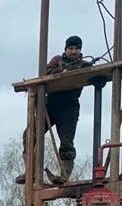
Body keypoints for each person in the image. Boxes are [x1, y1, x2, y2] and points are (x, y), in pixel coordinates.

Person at [17, 35, 92, 185]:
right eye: (71, 48)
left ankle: (64, 176)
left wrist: (69, 71)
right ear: (65, 49)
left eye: (76, 48)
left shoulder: (83, 65)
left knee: (66, 144)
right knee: (30, 134)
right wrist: (61, 71)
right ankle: (30, 171)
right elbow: (46, 72)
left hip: (69, 108)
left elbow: (88, 73)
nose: (73, 51)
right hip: (51, 106)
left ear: (80, 50)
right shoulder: (57, 60)